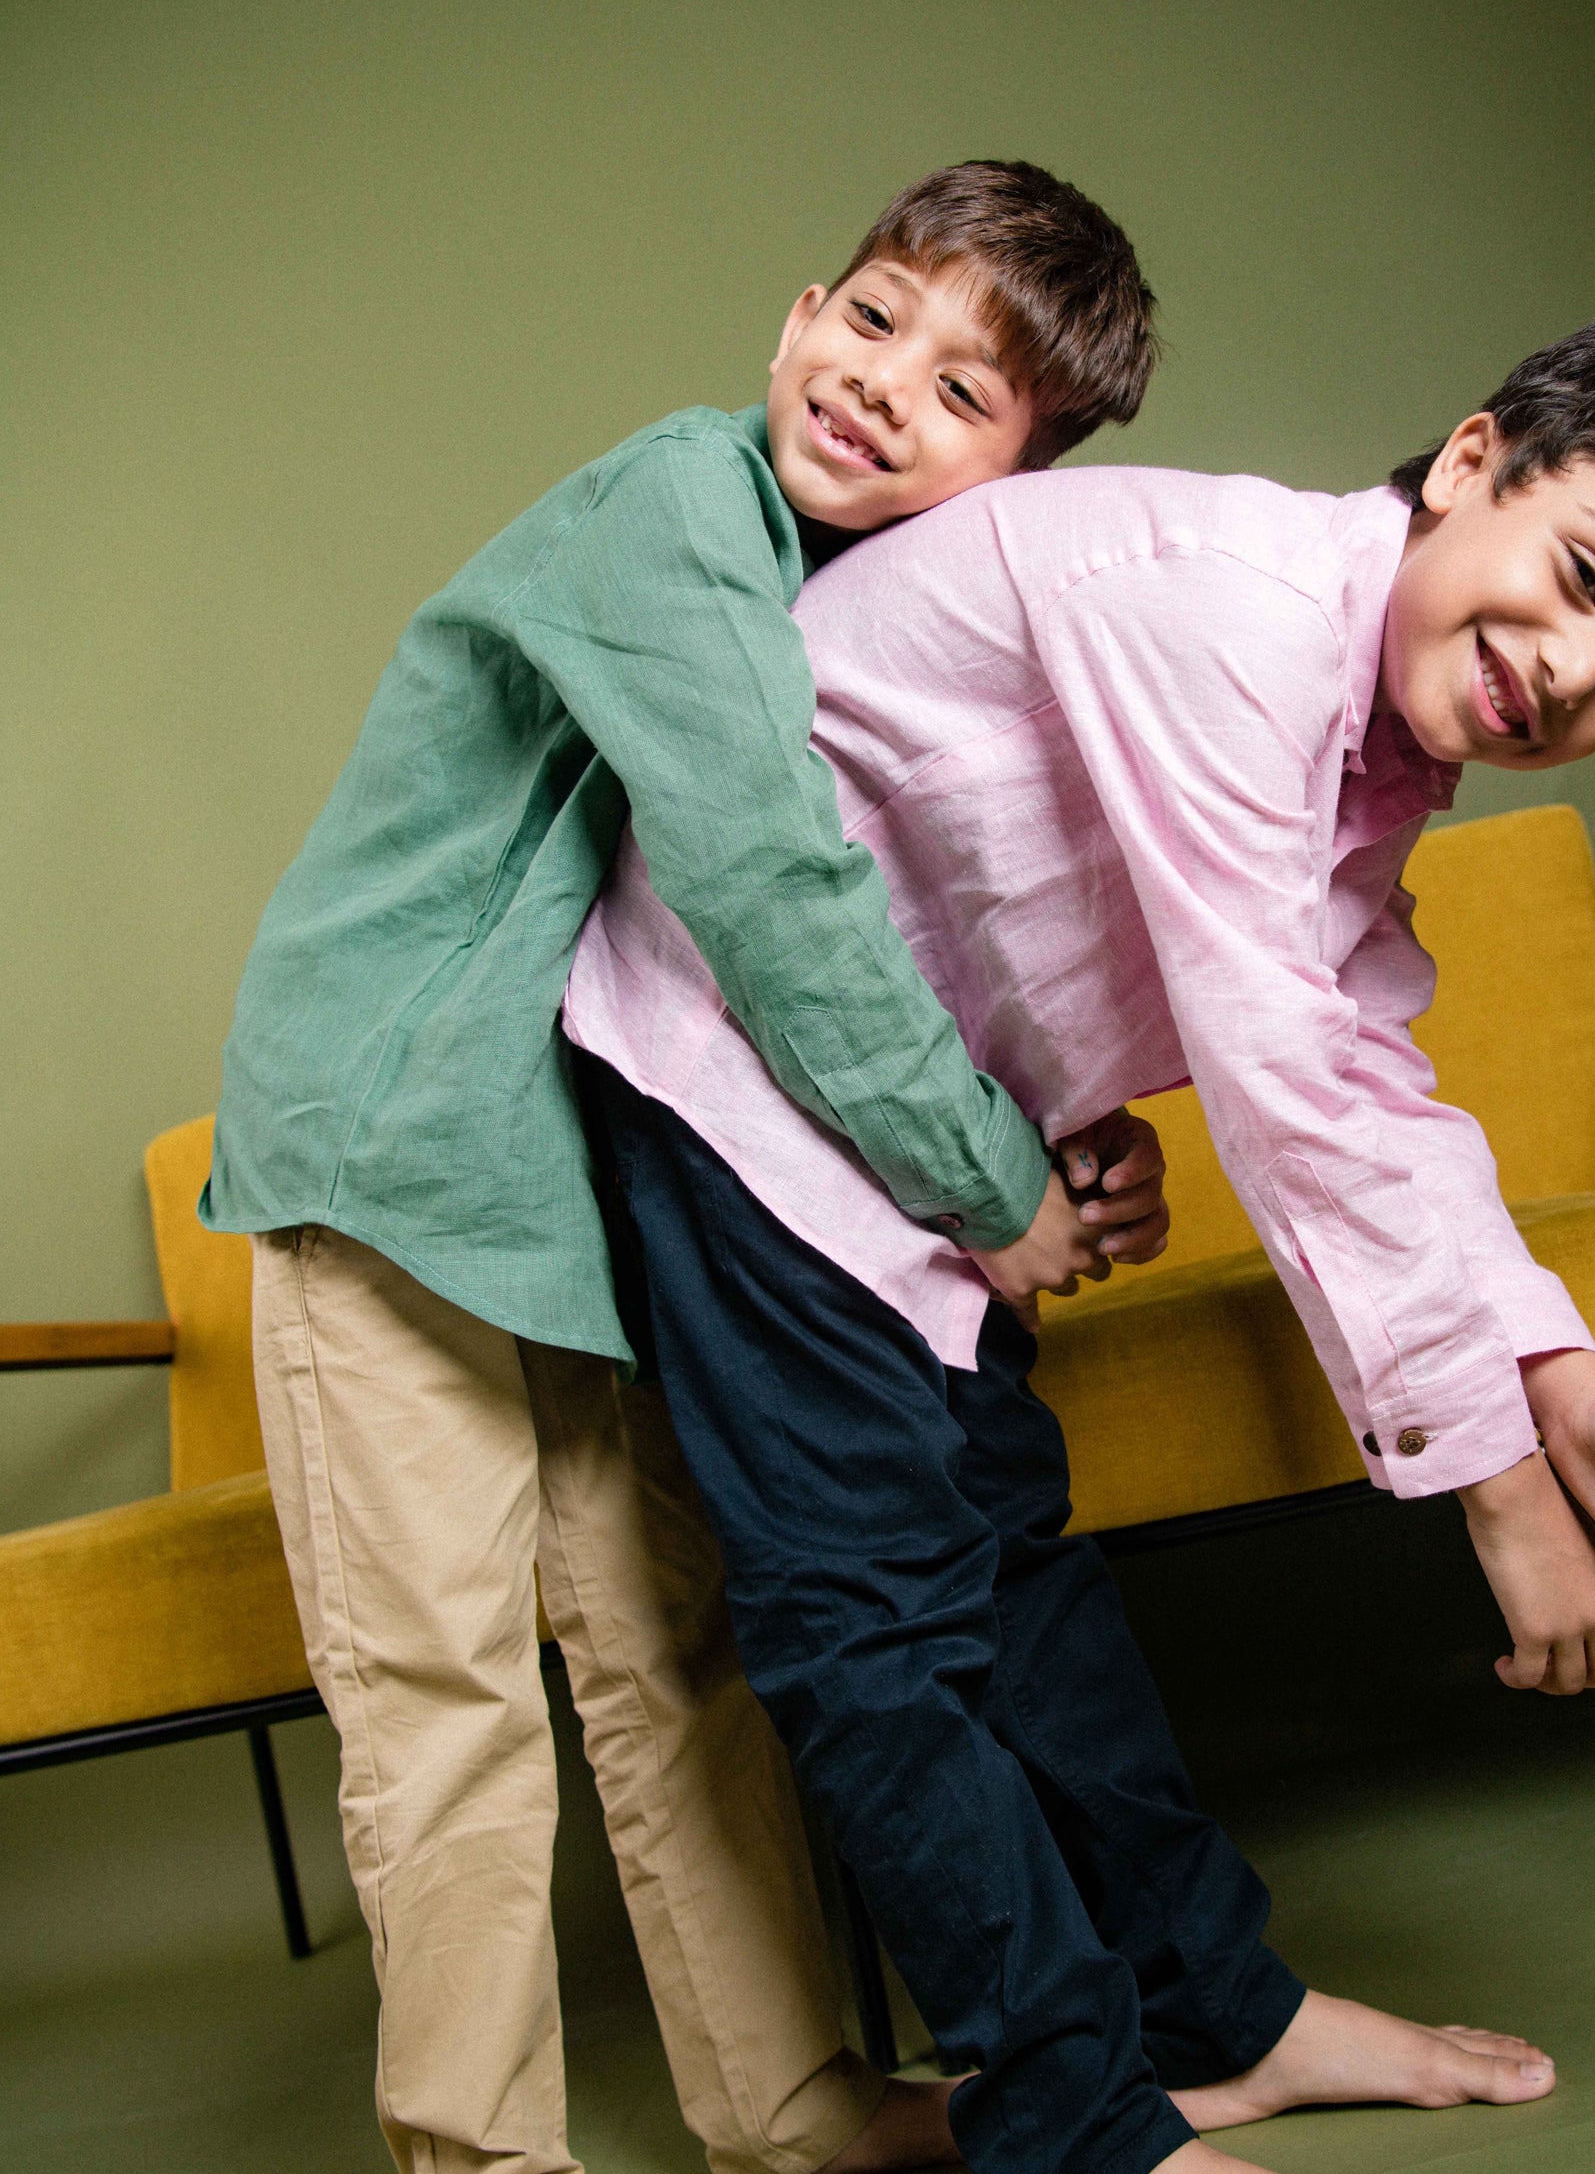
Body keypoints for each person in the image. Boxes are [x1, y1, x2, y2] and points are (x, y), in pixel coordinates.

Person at [565, 310, 1595, 2174]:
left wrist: (1563, 1386)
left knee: (1013, 1575)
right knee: (873, 1634)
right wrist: (1495, 1492)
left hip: (909, 1146)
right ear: (1475, 458)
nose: (1567, 673)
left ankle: (1214, 2017)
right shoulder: (1231, 602)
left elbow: (1365, 1069)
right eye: (1585, 579)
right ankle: (1084, 2133)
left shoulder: (1373, 747)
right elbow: (1277, 1068)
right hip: (730, 1078)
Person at [201, 161, 1170, 2174]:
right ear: (799, 308)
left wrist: (1064, 1122)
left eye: (968, 388)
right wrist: (991, 1189)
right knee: (447, 1694)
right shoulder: (675, 505)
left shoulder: (851, 603)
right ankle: (486, 2157)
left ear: (1018, 482)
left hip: (579, 1199)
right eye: (880, 316)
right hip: (388, 1161)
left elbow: (941, 915)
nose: (889, 382)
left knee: (673, 1652)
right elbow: (775, 890)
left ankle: (794, 2102)